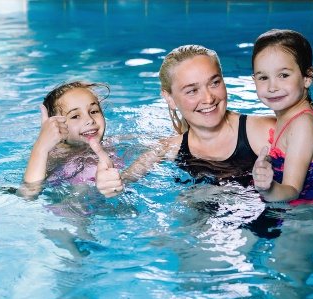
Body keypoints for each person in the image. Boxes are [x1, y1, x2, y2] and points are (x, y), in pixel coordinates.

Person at [92, 44, 276, 197]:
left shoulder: (263, 131)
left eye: (214, 83)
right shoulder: (167, 149)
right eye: (192, 90)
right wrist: (109, 184)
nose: (208, 99)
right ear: (169, 98)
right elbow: (121, 182)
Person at [251, 29, 313, 205]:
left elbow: (292, 190)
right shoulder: (290, 114)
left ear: (307, 77)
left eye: (284, 75)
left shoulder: (302, 125)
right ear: (253, 79)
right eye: (263, 77)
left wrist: (267, 188)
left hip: (307, 212)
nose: (272, 87)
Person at [19, 81, 123, 198]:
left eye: (94, 111)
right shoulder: (56, 156)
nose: (90, 120)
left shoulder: (113, 143)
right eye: (75, 116)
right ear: (58, 126)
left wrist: (122, 180)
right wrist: (41, 148)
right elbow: (28, 194)